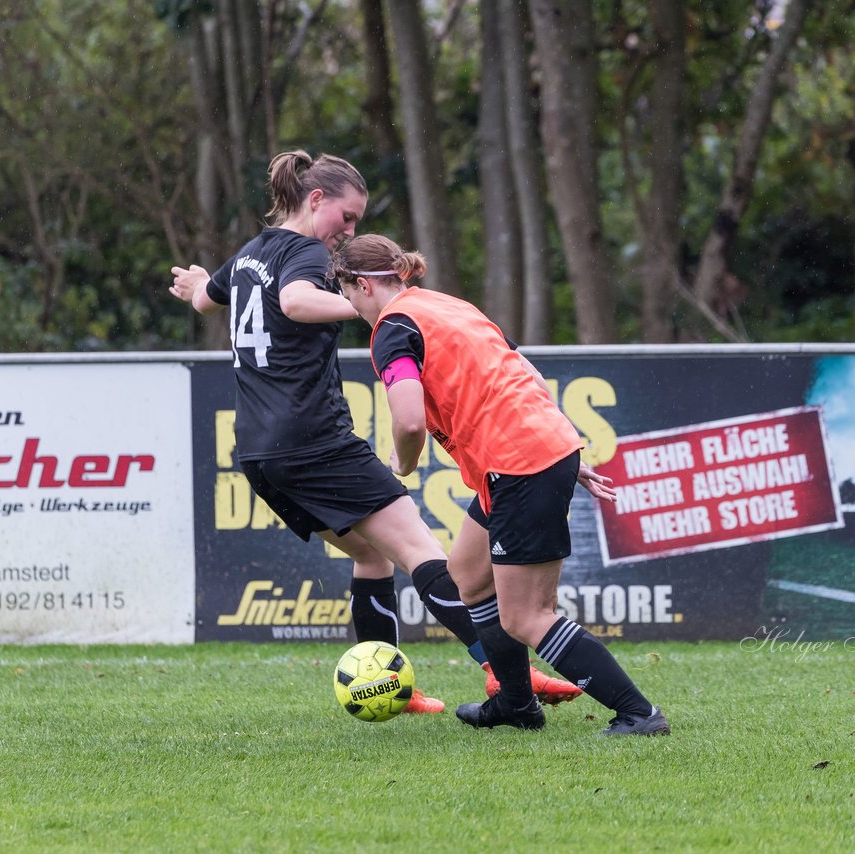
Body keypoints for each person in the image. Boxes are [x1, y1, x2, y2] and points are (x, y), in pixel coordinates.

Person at [168, 151, 581, 713]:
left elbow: (201, 299)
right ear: (316, 201)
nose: (349, 232)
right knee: (423, 552)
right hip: (314, 440)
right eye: (348, 217)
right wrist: (365, 302)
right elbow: (292, 300)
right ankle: (505, 673)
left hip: (262, 452)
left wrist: (197, 281)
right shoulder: (306, 251)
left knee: (371, 555)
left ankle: (383, 682)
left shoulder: (249, 254)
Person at [334, 234, 670, 736]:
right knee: (467, 575)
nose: (347, 305)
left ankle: (639, 713)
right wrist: (559, 449)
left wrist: (402, 465)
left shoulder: (391, 330)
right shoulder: (446, 305)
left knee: (526, 616)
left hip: (517, 462)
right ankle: (516, 703)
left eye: (345, 293)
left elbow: (407, 423)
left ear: (362, 284)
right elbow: (525, 370)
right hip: (533, 451)